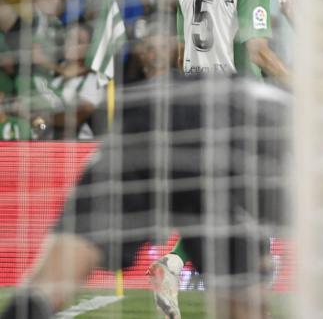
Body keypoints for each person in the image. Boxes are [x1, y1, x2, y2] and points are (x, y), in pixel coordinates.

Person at [0, 73, 289, 319]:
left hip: (152, 109)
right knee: (244, 297)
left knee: (51, 281)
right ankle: (178, 267)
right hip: (240, 129)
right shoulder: (302, 128)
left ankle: (172, 266)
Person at [148, 0, 291, 318]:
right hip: (237, 106)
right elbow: (259, 52)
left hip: (193, 103)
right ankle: (243, 290)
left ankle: (174, 265)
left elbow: (180, 54)